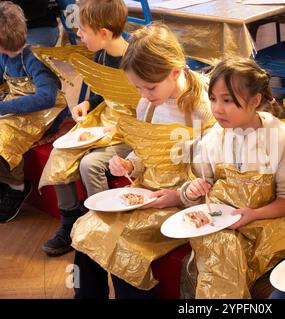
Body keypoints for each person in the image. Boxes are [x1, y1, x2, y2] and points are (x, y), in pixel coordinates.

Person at [70, 23, 214, 298]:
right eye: (138, 88)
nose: (144, 95)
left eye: (149, 87)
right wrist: (129, 163)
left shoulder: (202, 108)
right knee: (86, 231)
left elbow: (214, 173)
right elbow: (145, 147)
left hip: (182, 201)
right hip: (146, 191)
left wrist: (177, 196)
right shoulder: (148, 102)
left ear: (175, 72)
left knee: (124, 249)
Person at [179, 56, 285, 298]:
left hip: (264, 229)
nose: (217, 108)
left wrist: (253, 214)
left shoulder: (280, 137)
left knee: (225, 247)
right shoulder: (212, 138)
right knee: (224, 244)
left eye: (227, 100)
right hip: (220, 227)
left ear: (255, 100)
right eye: (213, 99)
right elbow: (198, 185)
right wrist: (193, 189)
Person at [39, 0, 131, 256]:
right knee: (60, 151)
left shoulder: (135, 56)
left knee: (89, 164)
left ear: (103, 33)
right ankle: (69, 220)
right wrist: (88, 103)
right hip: (105, 121)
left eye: (83, 30)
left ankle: (101, 222)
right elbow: (102, 92)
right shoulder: (101, 55)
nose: (77, 35)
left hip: (131, 129)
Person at [0, 1, 67, 222]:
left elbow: (46, 98)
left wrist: (3, 107)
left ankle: (16, 186)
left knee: (4, 135)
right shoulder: (4, 56)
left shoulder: (34, 59)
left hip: (45, 113)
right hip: (18, 104)